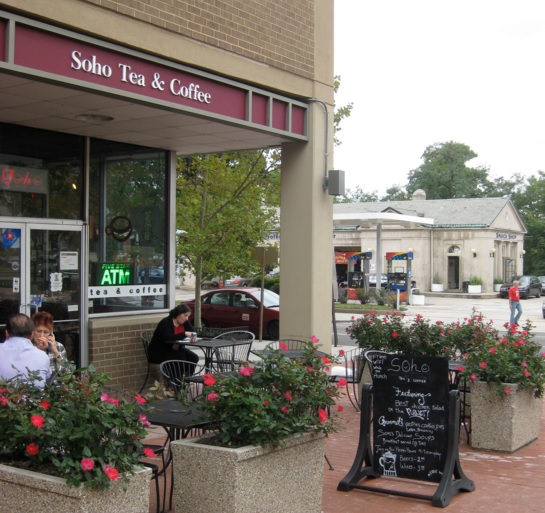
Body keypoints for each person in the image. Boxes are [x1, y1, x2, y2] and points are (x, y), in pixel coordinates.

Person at [0, 313, 51, 388]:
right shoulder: (43, 356)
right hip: (33, 399)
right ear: (32, 334)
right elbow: (47, 378)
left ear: (6, 333)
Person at [148, 304, 199, 374]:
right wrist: (184, 334)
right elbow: (168, 338)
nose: (187, 318)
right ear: (178, 314)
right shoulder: (166, 322)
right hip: (160, 351)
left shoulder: (184, 322)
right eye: (185, 315)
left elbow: (193, 332)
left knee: (194, 357)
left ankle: (186, 379)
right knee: (181, 358)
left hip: (176, 349)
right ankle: (176, 381)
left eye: (188, 316)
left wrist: (192, 335)